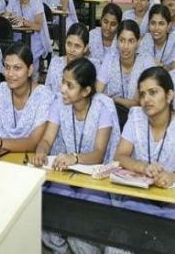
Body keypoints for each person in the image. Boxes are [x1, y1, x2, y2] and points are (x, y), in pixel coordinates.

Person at [31, 57, 121, 254]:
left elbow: (98, 154)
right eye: (63, 82)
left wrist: (75, 158)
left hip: (93, 179)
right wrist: (41, 151)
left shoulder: (102, 108)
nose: (63, 88)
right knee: (43, 217)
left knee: (79, 228)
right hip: (66, 176)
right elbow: (47, 138)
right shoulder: (59, 103)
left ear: (86, 91)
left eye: (70, 85)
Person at [0, 42, 53, 152]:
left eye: (17, 68)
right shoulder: (1, 91)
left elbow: (33, 143)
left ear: (30, 70)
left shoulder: (44, 96)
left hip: (28, 160)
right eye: (7, 67)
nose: (10, 74)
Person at [112, 66, 175, 219]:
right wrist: (143, 167)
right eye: (142, 94)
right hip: (137, 197)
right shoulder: (136, 117)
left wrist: (172, 176)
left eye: (153, 92)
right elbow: (120, 156)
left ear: (169, 95)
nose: (146, 99)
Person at [97, 20, 155, 108]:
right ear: (117, 41)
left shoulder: (146, 61)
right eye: (122, 40)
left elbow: (138, 102)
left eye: (131, 41)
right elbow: (98, 93)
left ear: (138, 42)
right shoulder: (110, 58)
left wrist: (115, 99)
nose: (125, 46)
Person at [3, 0, 52, 76]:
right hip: (17, 38)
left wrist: (23, 21)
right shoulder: (13, 0)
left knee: (28, 63)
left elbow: (38, 26)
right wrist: (10, 16)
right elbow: (6, 15)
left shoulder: (36, 2)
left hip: (35, 39)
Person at [46, 22, 100, 95]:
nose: (72, 50)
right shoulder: (55, 63)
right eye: (69, 44)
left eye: (77, 46)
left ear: (85, 48)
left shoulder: (93, 66)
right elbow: (47, 92)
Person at [138, 4, 175, 70]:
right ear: (148, 25)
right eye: (153, 23)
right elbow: (141, 64)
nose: (156, 28)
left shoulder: (173, 41)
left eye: (161, 23)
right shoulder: (146, 40)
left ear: (169, 26)